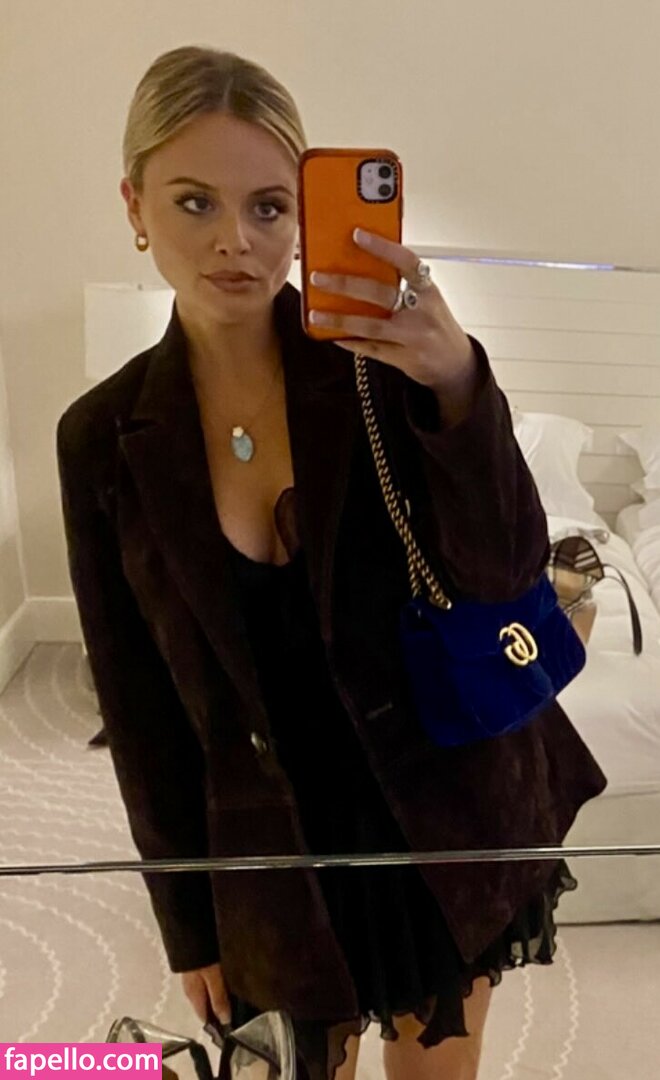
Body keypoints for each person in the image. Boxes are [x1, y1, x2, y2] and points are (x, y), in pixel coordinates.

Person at [56, 45, 607, 1080]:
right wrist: (187, 927)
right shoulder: (102, 437)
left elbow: (504, 570)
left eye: (269, 207)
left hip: (438, 812)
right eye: (194, 202)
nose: (235, 241)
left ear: (304, 213)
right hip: (272, 853)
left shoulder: (377, 366)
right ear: (134, 205)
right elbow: (139, 709)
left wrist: (458, 384)